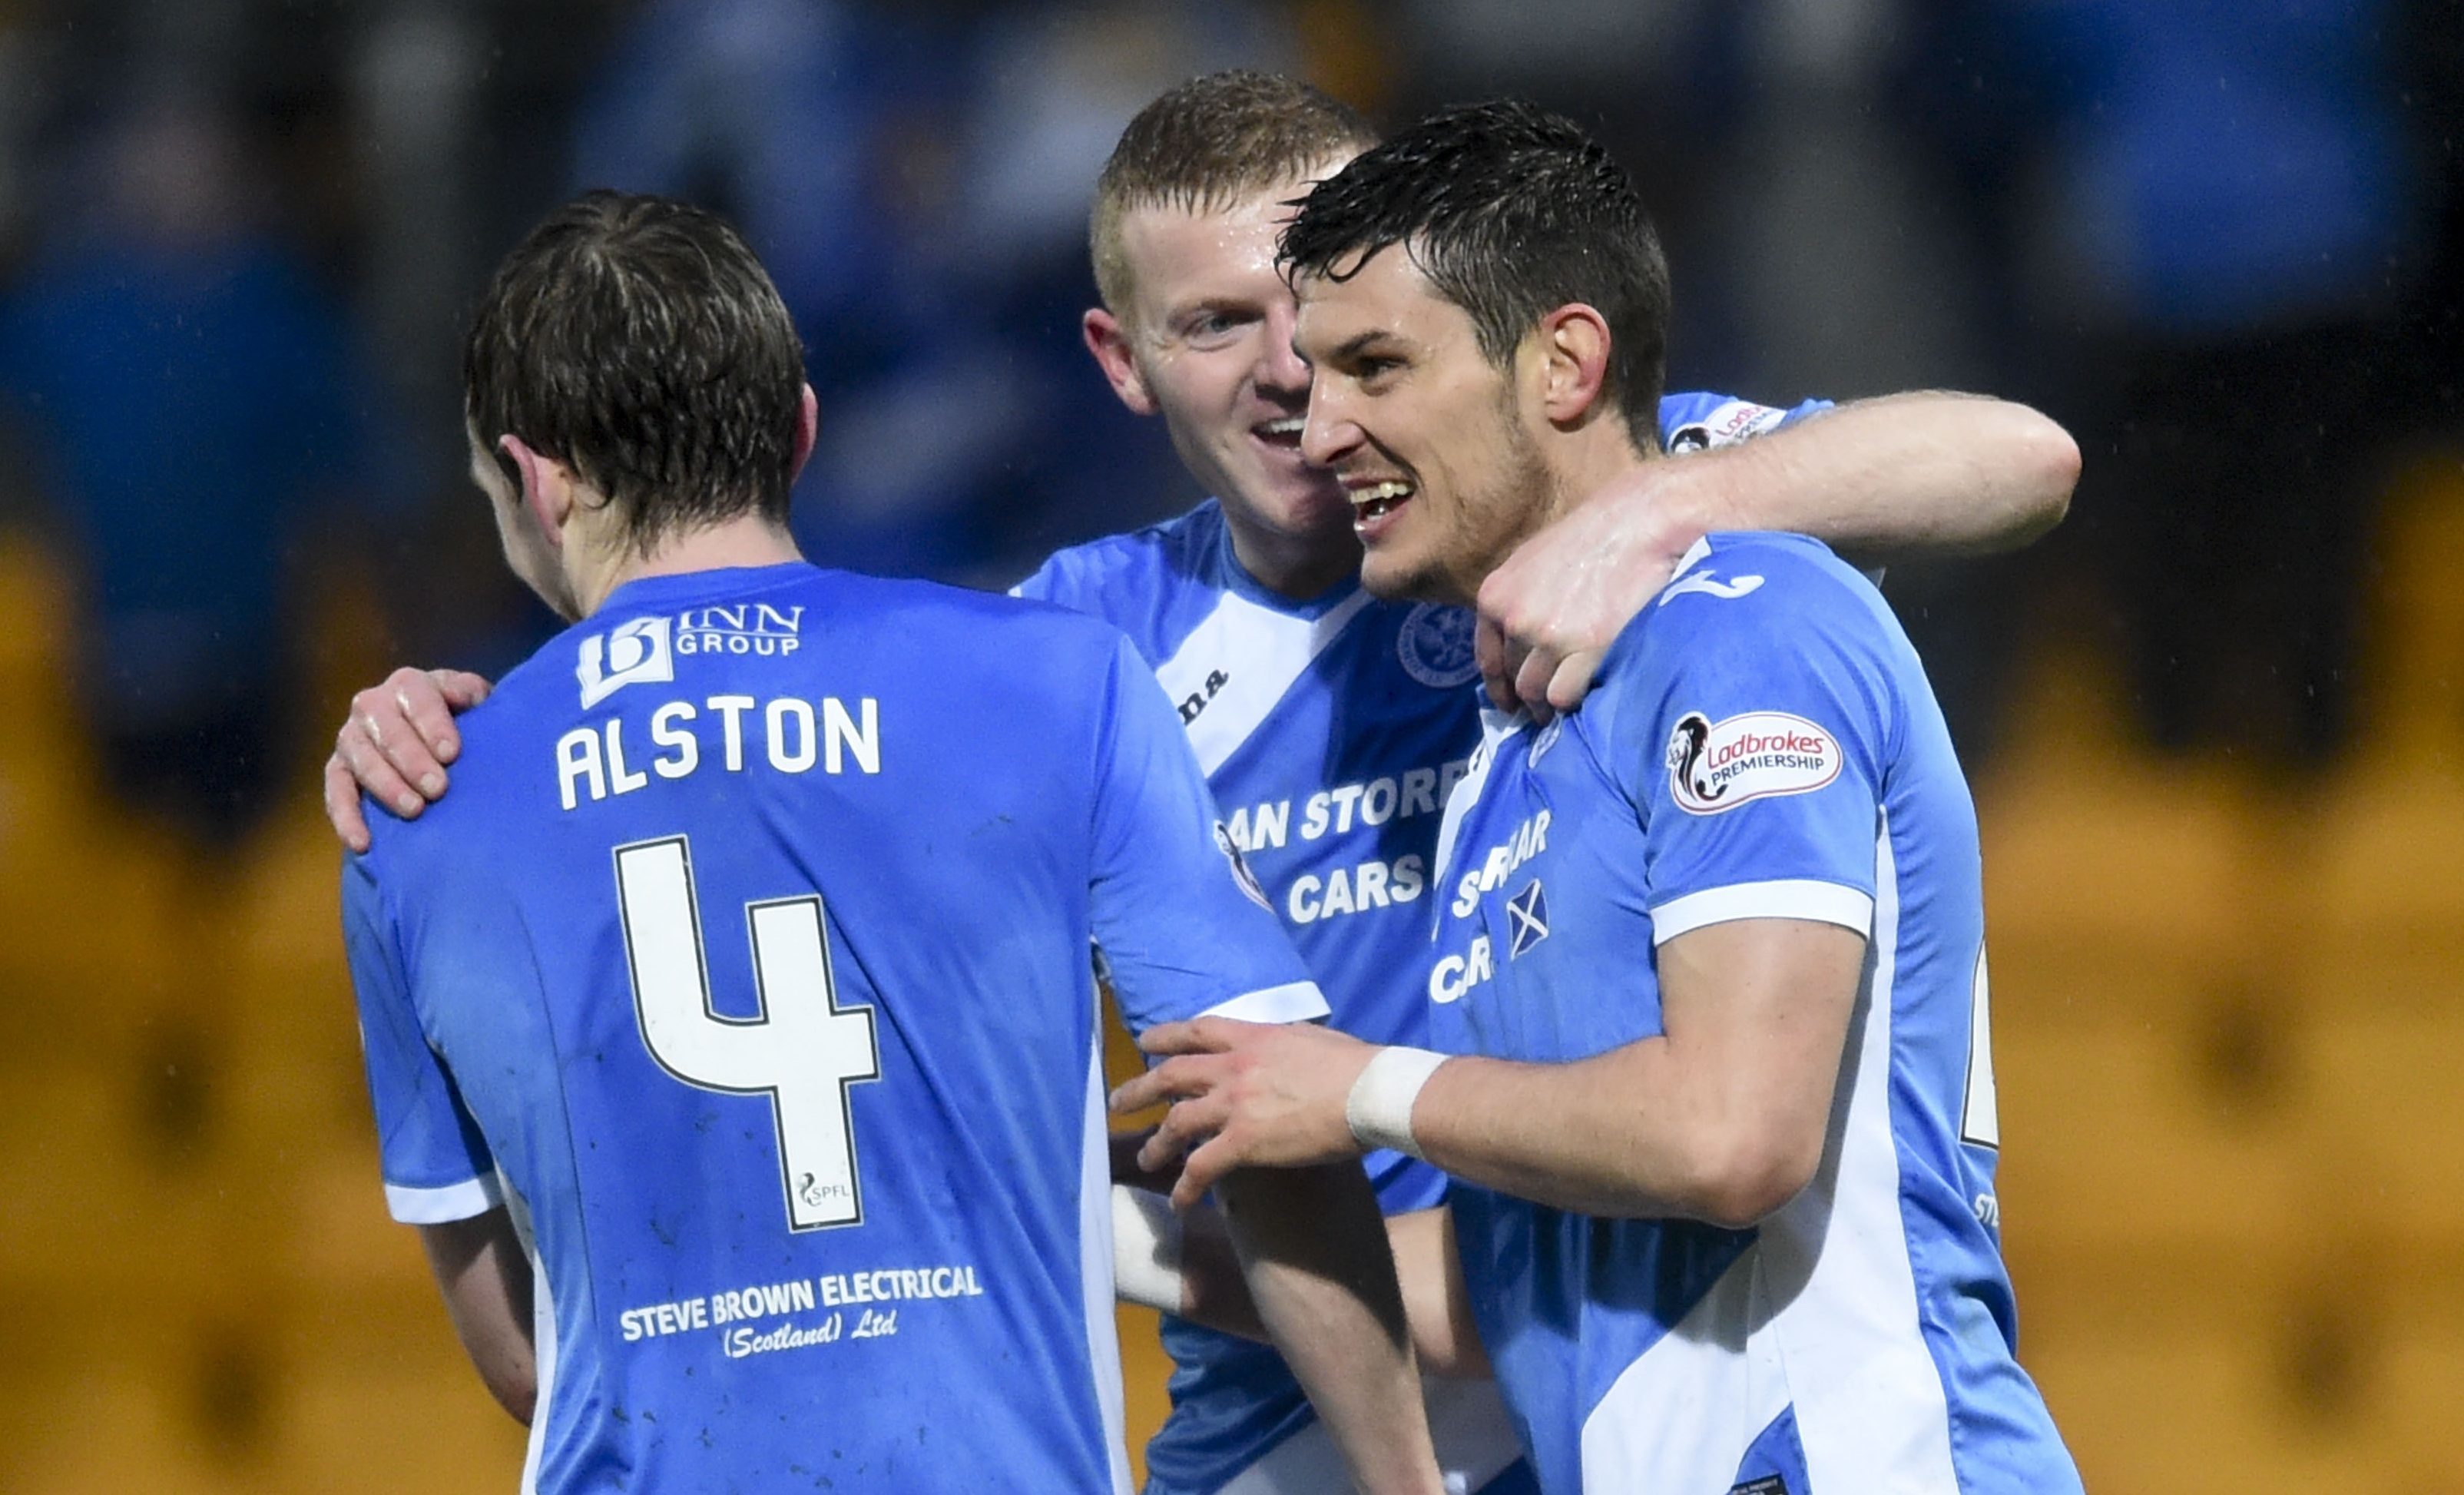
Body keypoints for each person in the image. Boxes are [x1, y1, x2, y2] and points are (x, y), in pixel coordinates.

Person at [327, 74, 2078, 1495]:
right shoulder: (1076, 648)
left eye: (1339, 326)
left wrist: (1667, 504)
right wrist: (449, 728)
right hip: (1369, 1376)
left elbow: (2018, 457)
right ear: (1120, 360)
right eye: (1224, 322)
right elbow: (757, 747)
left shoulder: (1615, 534)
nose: (1293, 375)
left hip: (1638, 1356)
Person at [340, 189, 1442, 1494]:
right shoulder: (1059, 682)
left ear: (535, 479)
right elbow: (1272, 1149)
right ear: (801, 433)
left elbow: (527, 1355)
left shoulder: (409, 808)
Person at [1111, 100, 2083, 1493]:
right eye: (1304, 369)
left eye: (1373, 365)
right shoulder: (1511, 736)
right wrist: (1107, 1222)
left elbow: (1731, 1135)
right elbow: (1523, 1279)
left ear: (1565, 362)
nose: (1320, 427)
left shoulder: (1739, 612)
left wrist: (1366, 1089)